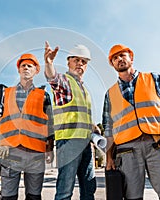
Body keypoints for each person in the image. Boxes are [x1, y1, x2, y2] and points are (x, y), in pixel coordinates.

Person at [102, 44, 160, 200]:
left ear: (131, 57)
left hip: (157, 145)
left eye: (122, 55)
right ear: (112, 64)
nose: (119, 59)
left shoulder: (154, 79)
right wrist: (109, 157)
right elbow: (108, 128)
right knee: (132, 197)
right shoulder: (110, 94)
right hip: (127, 151)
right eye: (115, 58)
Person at [0, 53, 54, 200]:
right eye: (23, 65)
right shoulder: (7, 93)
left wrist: (50, 149)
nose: (26, 68)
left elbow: (50, 125)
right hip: (7, 150)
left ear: (36, 71)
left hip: (35, 151)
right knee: (7, 196)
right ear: (18, 69)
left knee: (34, 196)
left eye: (30, 66)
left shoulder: (43, 95)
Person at [44, 41, 96, 200]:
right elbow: (53, 79)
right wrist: (49, 63)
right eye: (76, 60)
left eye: (84, 61)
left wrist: (93, 127)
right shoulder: (65, 81)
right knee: (65, 191)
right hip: (69, 142)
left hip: (86, 143)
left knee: (89, 190)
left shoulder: (84, 89)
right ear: (68, 62)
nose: (80, 63)